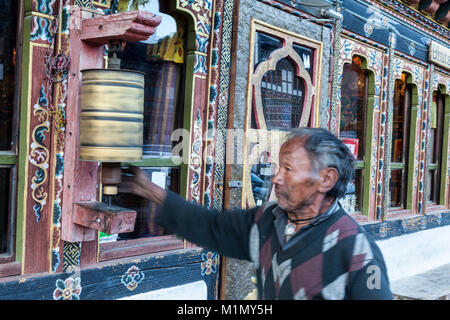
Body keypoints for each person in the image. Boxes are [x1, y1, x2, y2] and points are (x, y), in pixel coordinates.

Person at [119, 127, 392, 300]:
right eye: (277, 167)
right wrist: (149, 190)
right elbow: (211, 226)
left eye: (288, 169)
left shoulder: (356, 249)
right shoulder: (267, 221)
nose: (276, 178)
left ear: (326, 179)